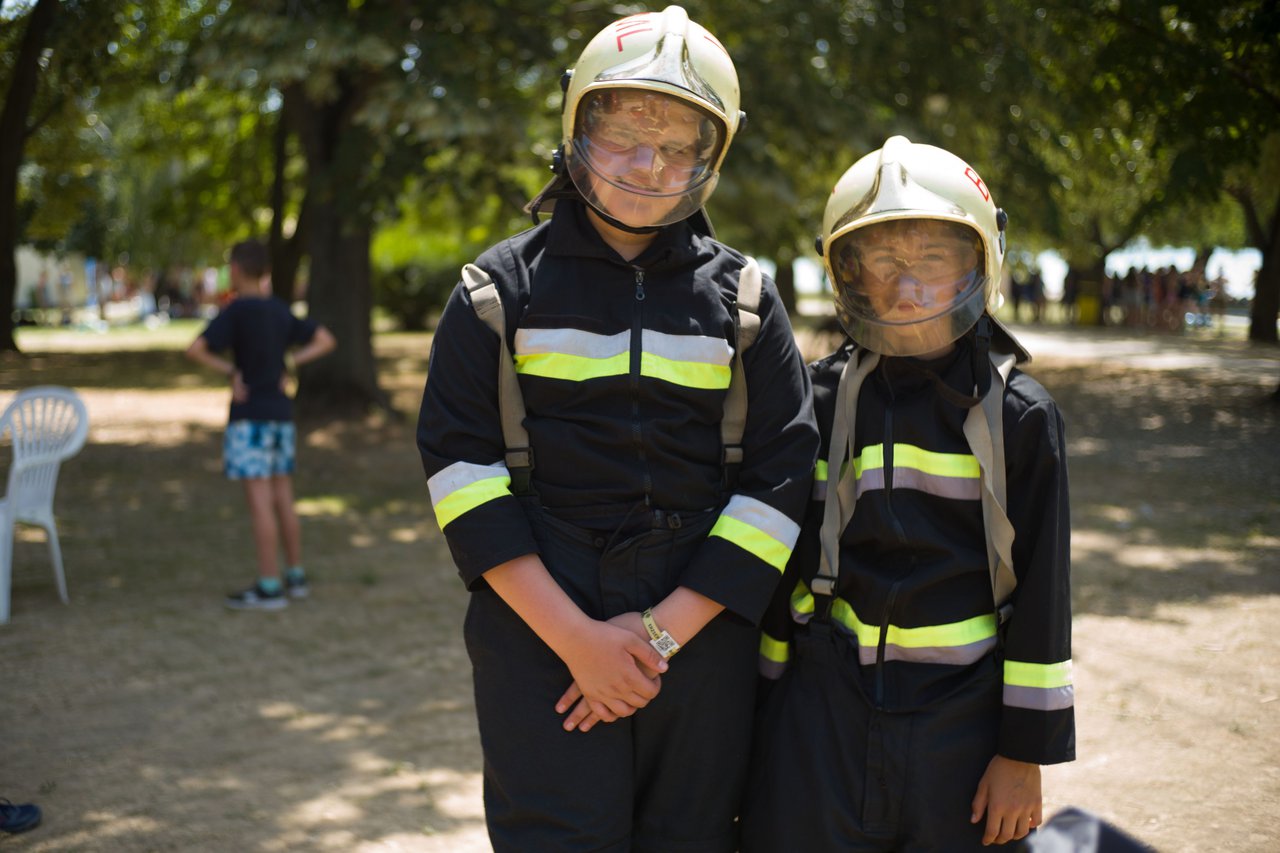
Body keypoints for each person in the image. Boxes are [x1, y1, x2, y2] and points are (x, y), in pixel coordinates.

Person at [416, 6, 818, 851]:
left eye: (678, 145)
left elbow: (781, 479)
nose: (648, 164)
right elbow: (460, 472)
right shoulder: (496, 293)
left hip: (700, 624)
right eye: (625, 132)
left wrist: (657, 634)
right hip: (537, 624)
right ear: (575, 128)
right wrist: (579, 642)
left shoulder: (745, 301)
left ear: (713, 156)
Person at [740, 136, 1075, 851]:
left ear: (980, 262)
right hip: (822, 709)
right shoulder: (818, 396)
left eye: (933, 260)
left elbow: (1045, 592)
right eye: (884, 262)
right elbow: (783, 560)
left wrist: (1026, 753)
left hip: (967, 715)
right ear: (847, 274)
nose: (907, 286)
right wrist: (762, 710)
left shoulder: (1019, 414)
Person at [185, 240, 336, 610]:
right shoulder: (279, 311)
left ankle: (269, 586)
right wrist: (292, 361)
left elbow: (196, 349)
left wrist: (231, 371)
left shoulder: (235, 312)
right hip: (281, 417)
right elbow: (325, 340)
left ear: (235, 270)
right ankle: (295, 576)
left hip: (249, 417)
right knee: (283, 496)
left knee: (260, 502)